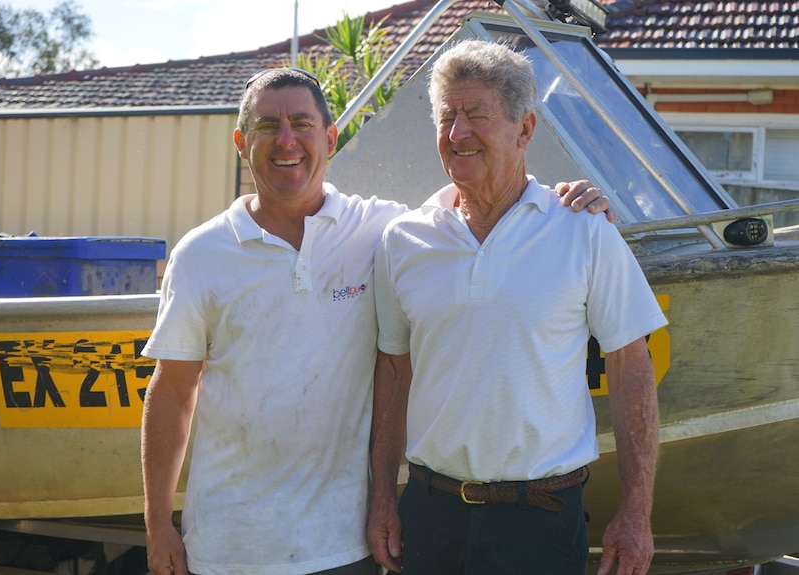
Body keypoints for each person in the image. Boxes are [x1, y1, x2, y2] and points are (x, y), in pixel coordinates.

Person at [140, 66, 613, 575]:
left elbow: (477, 202)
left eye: (302, 123)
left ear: (330, 137)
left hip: (345, 547)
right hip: (229, 547)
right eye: (265, 127)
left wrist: (569, 204)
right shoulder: (201, 254)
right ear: (240, 141)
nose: (286, 141)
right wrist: (157, 524)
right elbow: (171, 395)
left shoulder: (382, 231)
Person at [368, 40, 668, 575]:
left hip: (540, 526)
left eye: (476, 115)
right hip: (430, 518)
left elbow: (631, 368)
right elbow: (393, 369)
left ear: (525, 129)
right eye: (446, 117)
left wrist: (636, 510)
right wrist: (383, 499)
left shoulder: (583, 229)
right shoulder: (404, 239)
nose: (457, 133)